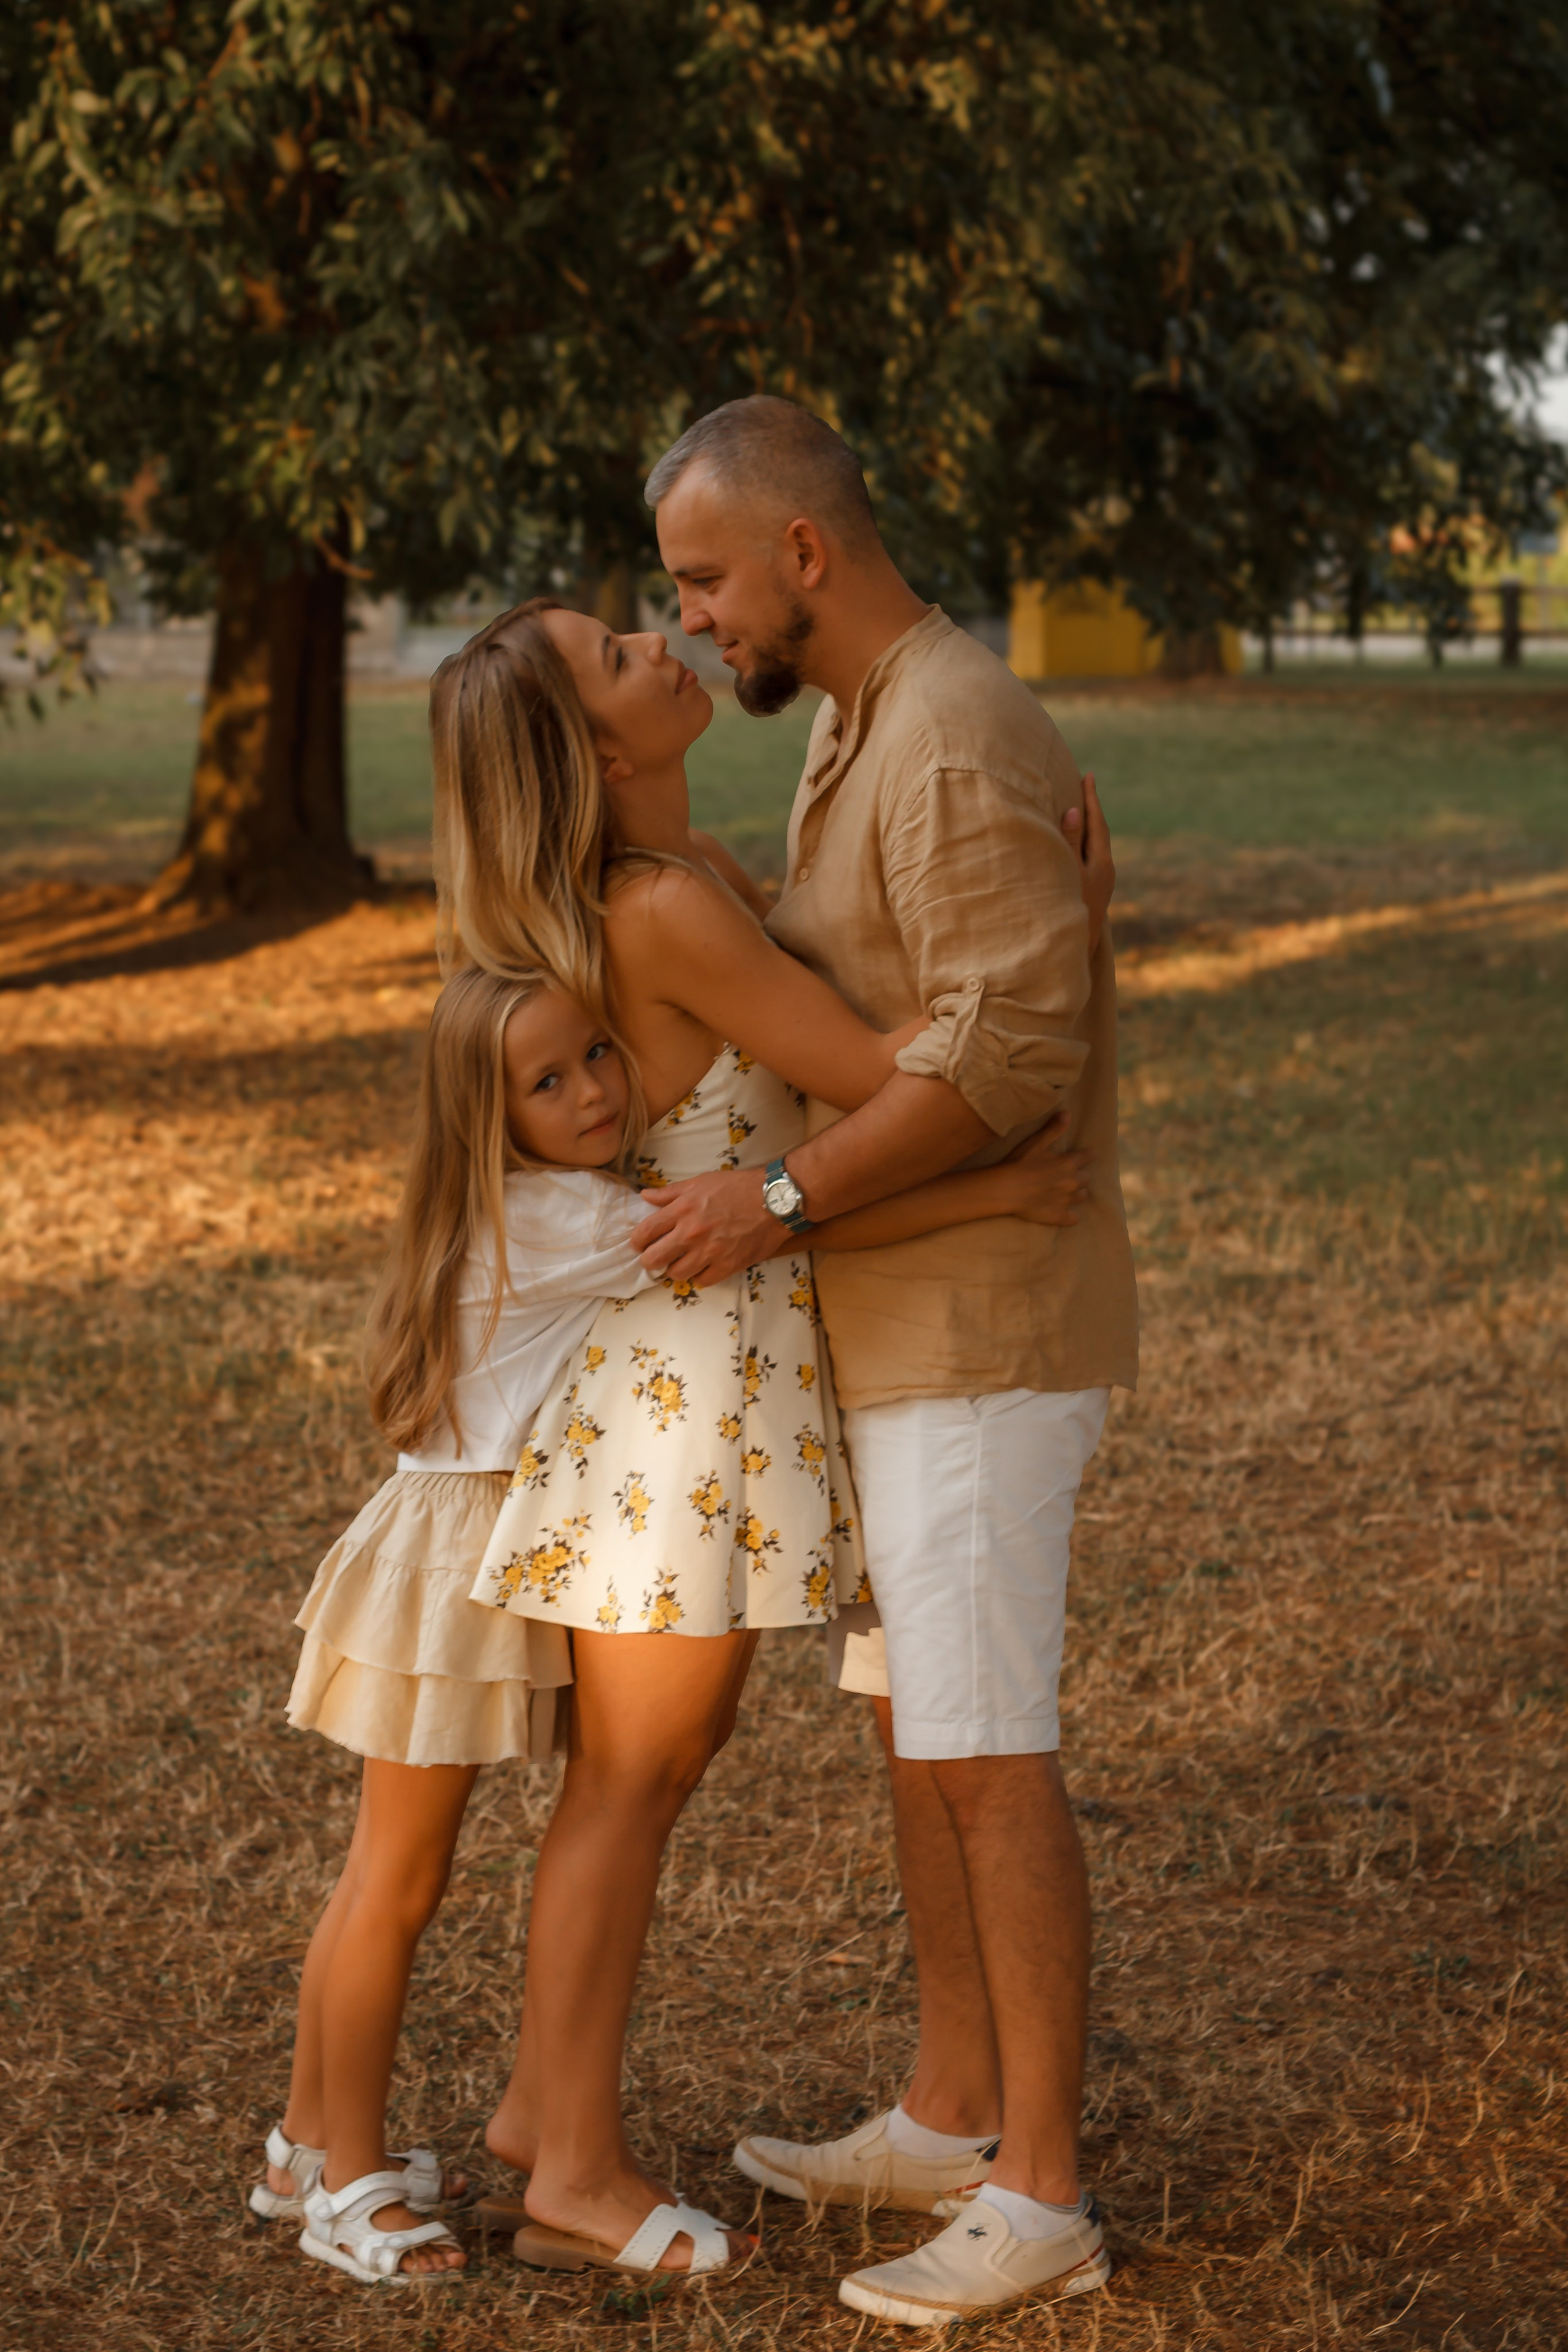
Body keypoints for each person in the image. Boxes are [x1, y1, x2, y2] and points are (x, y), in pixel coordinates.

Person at [426, 599, 1114, 2282]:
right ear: (595, 752)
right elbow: (902, 1076)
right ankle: (572, 2174)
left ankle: (540, 2116)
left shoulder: (685, 888)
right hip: (675, 1426)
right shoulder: (662, 910)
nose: (666, 639)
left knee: (640, 1779)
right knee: (630, 1786)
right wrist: (1061, 936)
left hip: (691, 1404)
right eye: (619, 652)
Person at [260, 957, 1091, 2286]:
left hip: (454, 1544)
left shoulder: (548, 1201)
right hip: (440, 1567)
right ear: (491, 1116)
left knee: (389, 1872)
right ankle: (344, 2179)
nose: (594, 1091)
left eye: (597, 1054)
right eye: (548, 1081)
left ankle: (304, 2143)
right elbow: (776, 1235)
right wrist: (989, 1187)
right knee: (394, 1880)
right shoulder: (560, 1218)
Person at [629, 395, 1139, 2326]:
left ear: (803, 555)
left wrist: (772, 1197)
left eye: (702, 582)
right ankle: (951, 2105)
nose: (694, 626)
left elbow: (1007, 1066)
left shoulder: (946, 732)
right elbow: (901, 994)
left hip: (988, 1332)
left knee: (991, 1758)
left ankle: (1044, 2195)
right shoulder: (856, 724)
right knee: (918, 1731)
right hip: (905, 1322)